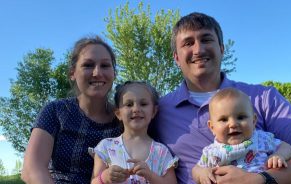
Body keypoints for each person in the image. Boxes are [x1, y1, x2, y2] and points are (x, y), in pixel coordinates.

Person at [149, 12, 291, 184]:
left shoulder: (265, 98)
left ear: (221, 48)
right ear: (176, 57)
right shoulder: (158, 110)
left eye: (206, 39)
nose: (198, 50)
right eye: (188, 43)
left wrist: (260, 180)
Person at [21, 36, 123, 184]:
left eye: (105, 65)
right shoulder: (55, 111)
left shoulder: (125, 119)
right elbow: (32, 170)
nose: (97, 72)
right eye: (88, 65)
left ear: (114, 73)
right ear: (72, 73)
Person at [192, 88, 291, 184]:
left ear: (253, 121)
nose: (233, 124)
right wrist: (202, 173)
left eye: (241, 117)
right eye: (224, 119)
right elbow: (196, 169)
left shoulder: (261, 139)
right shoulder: (211, 151)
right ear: (212, 127)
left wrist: (279, 155)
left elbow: (286, 147)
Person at [91, 81, 178, 184]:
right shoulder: (106, 147)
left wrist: (150, 176)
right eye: (129, 104)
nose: (136, 109)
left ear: (154, 112)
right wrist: (105, 177)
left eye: (143, 104)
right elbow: (94, 181)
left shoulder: (161, 152)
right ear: (118, 114)